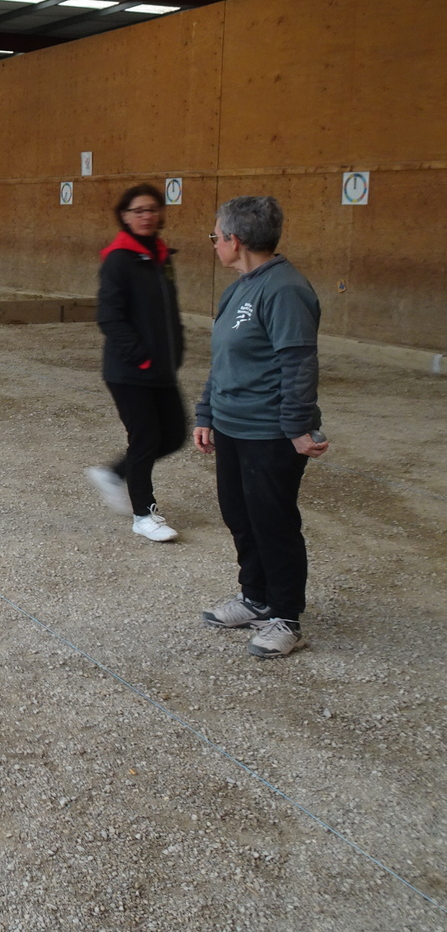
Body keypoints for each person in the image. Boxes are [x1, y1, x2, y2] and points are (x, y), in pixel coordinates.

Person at [193, 195, 327, 659]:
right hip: (232, 425)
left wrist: (297, 426)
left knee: (274, 523)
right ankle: (256, 598)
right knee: (240, 516)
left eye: (215, 237)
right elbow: (224, 359)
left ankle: (286, 617)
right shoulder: (239, 287)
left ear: (236, 240)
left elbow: (299, 363)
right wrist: (207, 413)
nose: (214, 244)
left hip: (269, 432)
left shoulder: (285, 289)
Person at [85, 184, 187, 543]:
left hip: (162, 369)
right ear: (125, 216)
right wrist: (140, 356)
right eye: (138, 210)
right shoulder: (119, 259)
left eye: (153, 209)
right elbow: (109, 317)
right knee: (145, 439)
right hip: (130, 371)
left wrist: (175, 351)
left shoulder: (160, 257)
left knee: (174, 436)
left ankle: (114, 474)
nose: (146, 216)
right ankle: (144, 515)